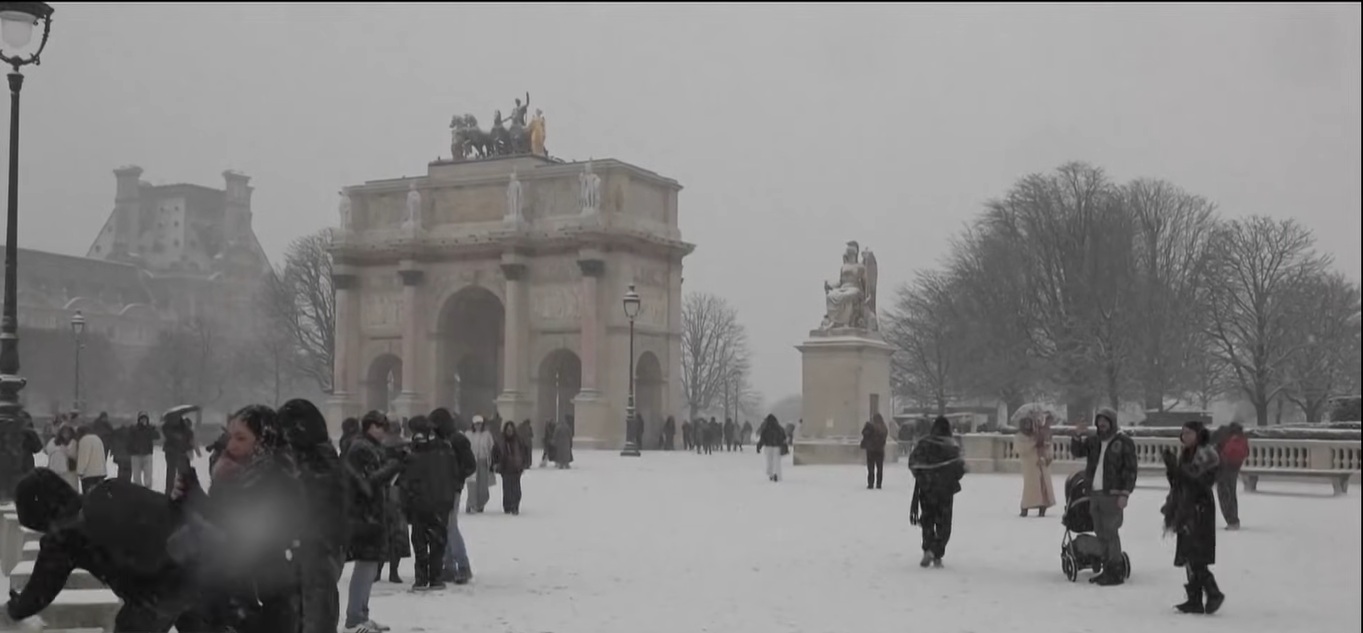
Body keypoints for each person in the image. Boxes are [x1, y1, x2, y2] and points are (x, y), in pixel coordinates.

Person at [2, 469, 208, 632]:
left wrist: (16, 609)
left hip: (157, 595)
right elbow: (166, 508)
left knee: (133, 624)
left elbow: (41, 591)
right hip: (198, 569)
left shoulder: (64, 538)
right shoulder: (109, 489)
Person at [172, 404, 304, 633]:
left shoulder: (278, 480)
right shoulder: (232, 475)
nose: (231, 444)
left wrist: (197, 501)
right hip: (223, 596)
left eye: (241, 438)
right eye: (230, 435)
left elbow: (243, 536)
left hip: (262, 598)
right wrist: (185, 500)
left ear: (263, 441)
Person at [279, 398, 349, 633]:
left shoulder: (314, 461)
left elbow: (311, 504)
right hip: (316, 547)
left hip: (314, 548)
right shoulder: (317, 457)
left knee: (314, 612)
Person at [342, 411, 405, 633]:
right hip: (364, 514)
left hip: (372, 512)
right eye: (379, 426)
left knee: (369, 566)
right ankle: (355, 617)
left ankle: (361, 613)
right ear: (369, 427)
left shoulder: (370, 447)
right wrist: (395, 465)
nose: (383, 430)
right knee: (365, 565)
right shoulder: (361, 448)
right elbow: (368, 481)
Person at [1162, 421, 1226, 615]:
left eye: (1189, 433)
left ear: (1199, 434)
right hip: (1185, 506)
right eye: (1183, 433)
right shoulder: (1186, 453)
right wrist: (1171, 469)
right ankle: (1195, 599)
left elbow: (1198, 481)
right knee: (1188, 554)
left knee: (1196, 554)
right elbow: (1178, 481)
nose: (1185, 436)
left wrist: (1176, 469)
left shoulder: (1207, 454)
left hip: (1200, 508)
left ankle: (1213, 592)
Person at [1070, 408, 1138, 586]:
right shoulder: (1094, 442)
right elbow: (1077, 452)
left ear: (1112, 423)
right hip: (1095, 493)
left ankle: (1114, 571)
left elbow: (1130, 470)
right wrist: (1077, 435)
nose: (1102, 425)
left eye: (1105, 422)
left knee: (1110, 533)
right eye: (1099, 422)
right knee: (1101, 533)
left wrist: (1125, 493)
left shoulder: (1124, 443)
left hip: (1113, 495)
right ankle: (1108, 567)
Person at [398, 415, 459, 590]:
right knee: (436, 542)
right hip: (438, 502)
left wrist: (406, 504)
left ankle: (422, 577)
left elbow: (405, 481)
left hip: (420, 503)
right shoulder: (445, 451)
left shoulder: (412, 454)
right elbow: (453, 475)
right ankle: (435, 577)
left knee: (420, 543)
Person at [909, 417, 966, 568]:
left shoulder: (923, 444)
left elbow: (913, 463)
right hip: (945, 491)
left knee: (927, 520)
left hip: (926, 489)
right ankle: (936, 551)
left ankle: (928, 548)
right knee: (944, 523)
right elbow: (959, 469)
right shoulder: (952, 447)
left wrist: (923, 477)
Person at [430, 408, 478, 585]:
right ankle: (449, 566)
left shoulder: (457, 439)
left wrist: (455, 478)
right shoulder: (444, 439)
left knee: (450, 526)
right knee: (444, 527)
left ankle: (463, 566)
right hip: (441, 488)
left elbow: (470, 465)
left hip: (452, 488)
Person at [1014, 416, 1056, 517]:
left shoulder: (1037, 434)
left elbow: (1047, 446)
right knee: (1031, 486)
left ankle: (1043, 507)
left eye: (1029, 423)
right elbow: (1021, 449)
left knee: (1043, 485)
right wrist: (1034, 443)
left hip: (1041, 463)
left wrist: (1047, 454)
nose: (1028, 426)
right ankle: (1025, 507)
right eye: (1026, 424)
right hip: (1029, 464)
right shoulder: (1020, 436)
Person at [1211, 422, 1247, 530]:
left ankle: (1231, 521)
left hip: (1223, 467)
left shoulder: (1222, 433)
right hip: (1235, 467)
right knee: (1231, 493)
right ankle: (1234, 519)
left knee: (1223, 494)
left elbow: (1211, 445)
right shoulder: (1240, 435)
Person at [493, 421, 529, 515]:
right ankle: (508, 506)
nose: (509, 431)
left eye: (511, 429)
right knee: (507, 488)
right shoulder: (501, 441)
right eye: (508, 429)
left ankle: (515, 505)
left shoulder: (519, 440)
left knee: (516, 489)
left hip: (516, 467)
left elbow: (525, 452)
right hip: (505, 468)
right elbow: (495, 453)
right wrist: (496, 463)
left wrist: (525, 463)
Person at [161, 411, 198, 494]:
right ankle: (169, 490)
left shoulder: (186, 429)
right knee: (171, 472)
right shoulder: (169, 426)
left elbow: (189, 441)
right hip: (171, 452)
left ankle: (181, 490)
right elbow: (167, 432)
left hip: (180, 452)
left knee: (181, 472)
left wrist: (186, 446)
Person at [466, 415, 496, 512]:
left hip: (483, 461)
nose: (478, 426)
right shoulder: (468, 434)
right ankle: (471, 504)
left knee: (482, 485)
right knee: (472, 485)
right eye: (476, 424)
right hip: (471, 461)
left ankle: (480, 503)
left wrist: (491, 461)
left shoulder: (487, 435)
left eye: (480, 424)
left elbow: (492, 447)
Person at [126, 412, 158, 488]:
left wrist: (151, 429)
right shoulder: (134, 429)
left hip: (147, 454)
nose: (143, 421)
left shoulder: (149, 429)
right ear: (139, 420)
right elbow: (129, 439)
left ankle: (148, 489)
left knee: (148, 474)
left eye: (145, 419)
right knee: (136, 475)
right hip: (136, 455)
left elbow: (157, 436)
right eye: (142, 419)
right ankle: (138, 489)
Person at [43, 424, 80, 490]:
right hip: (55, 470)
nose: (66, 434)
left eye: (68, 432)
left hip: (69, 471)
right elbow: (47, 451)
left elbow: (75, 455)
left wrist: (66, 451)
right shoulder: (53, 441)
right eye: (64, 432)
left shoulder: (74, 442)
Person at [74, 425, 108, 494]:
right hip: (100, 472)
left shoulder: (84, 441)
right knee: (99, 495)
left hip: (89, 474)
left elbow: (84, 458)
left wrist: (80, 472)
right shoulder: (97, 438)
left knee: (89, 497)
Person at [755, 414, 788, 482]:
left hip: (768, 447)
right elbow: (784, 438)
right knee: (777, 462)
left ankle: (771, 474)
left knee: (769, 461)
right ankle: (777, 474)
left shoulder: (766, 429)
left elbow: (762, 439)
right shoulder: (779, 428)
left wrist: (759, 446)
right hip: (777, 447)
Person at [861, 414, 889, 490]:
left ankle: (870, 483)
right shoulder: (883, 427)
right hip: (880, 450)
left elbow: (864, 433)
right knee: (879, 468)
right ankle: (879, 484)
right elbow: (884, 437)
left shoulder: (870, 426)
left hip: (871, 450)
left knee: (870, 467)